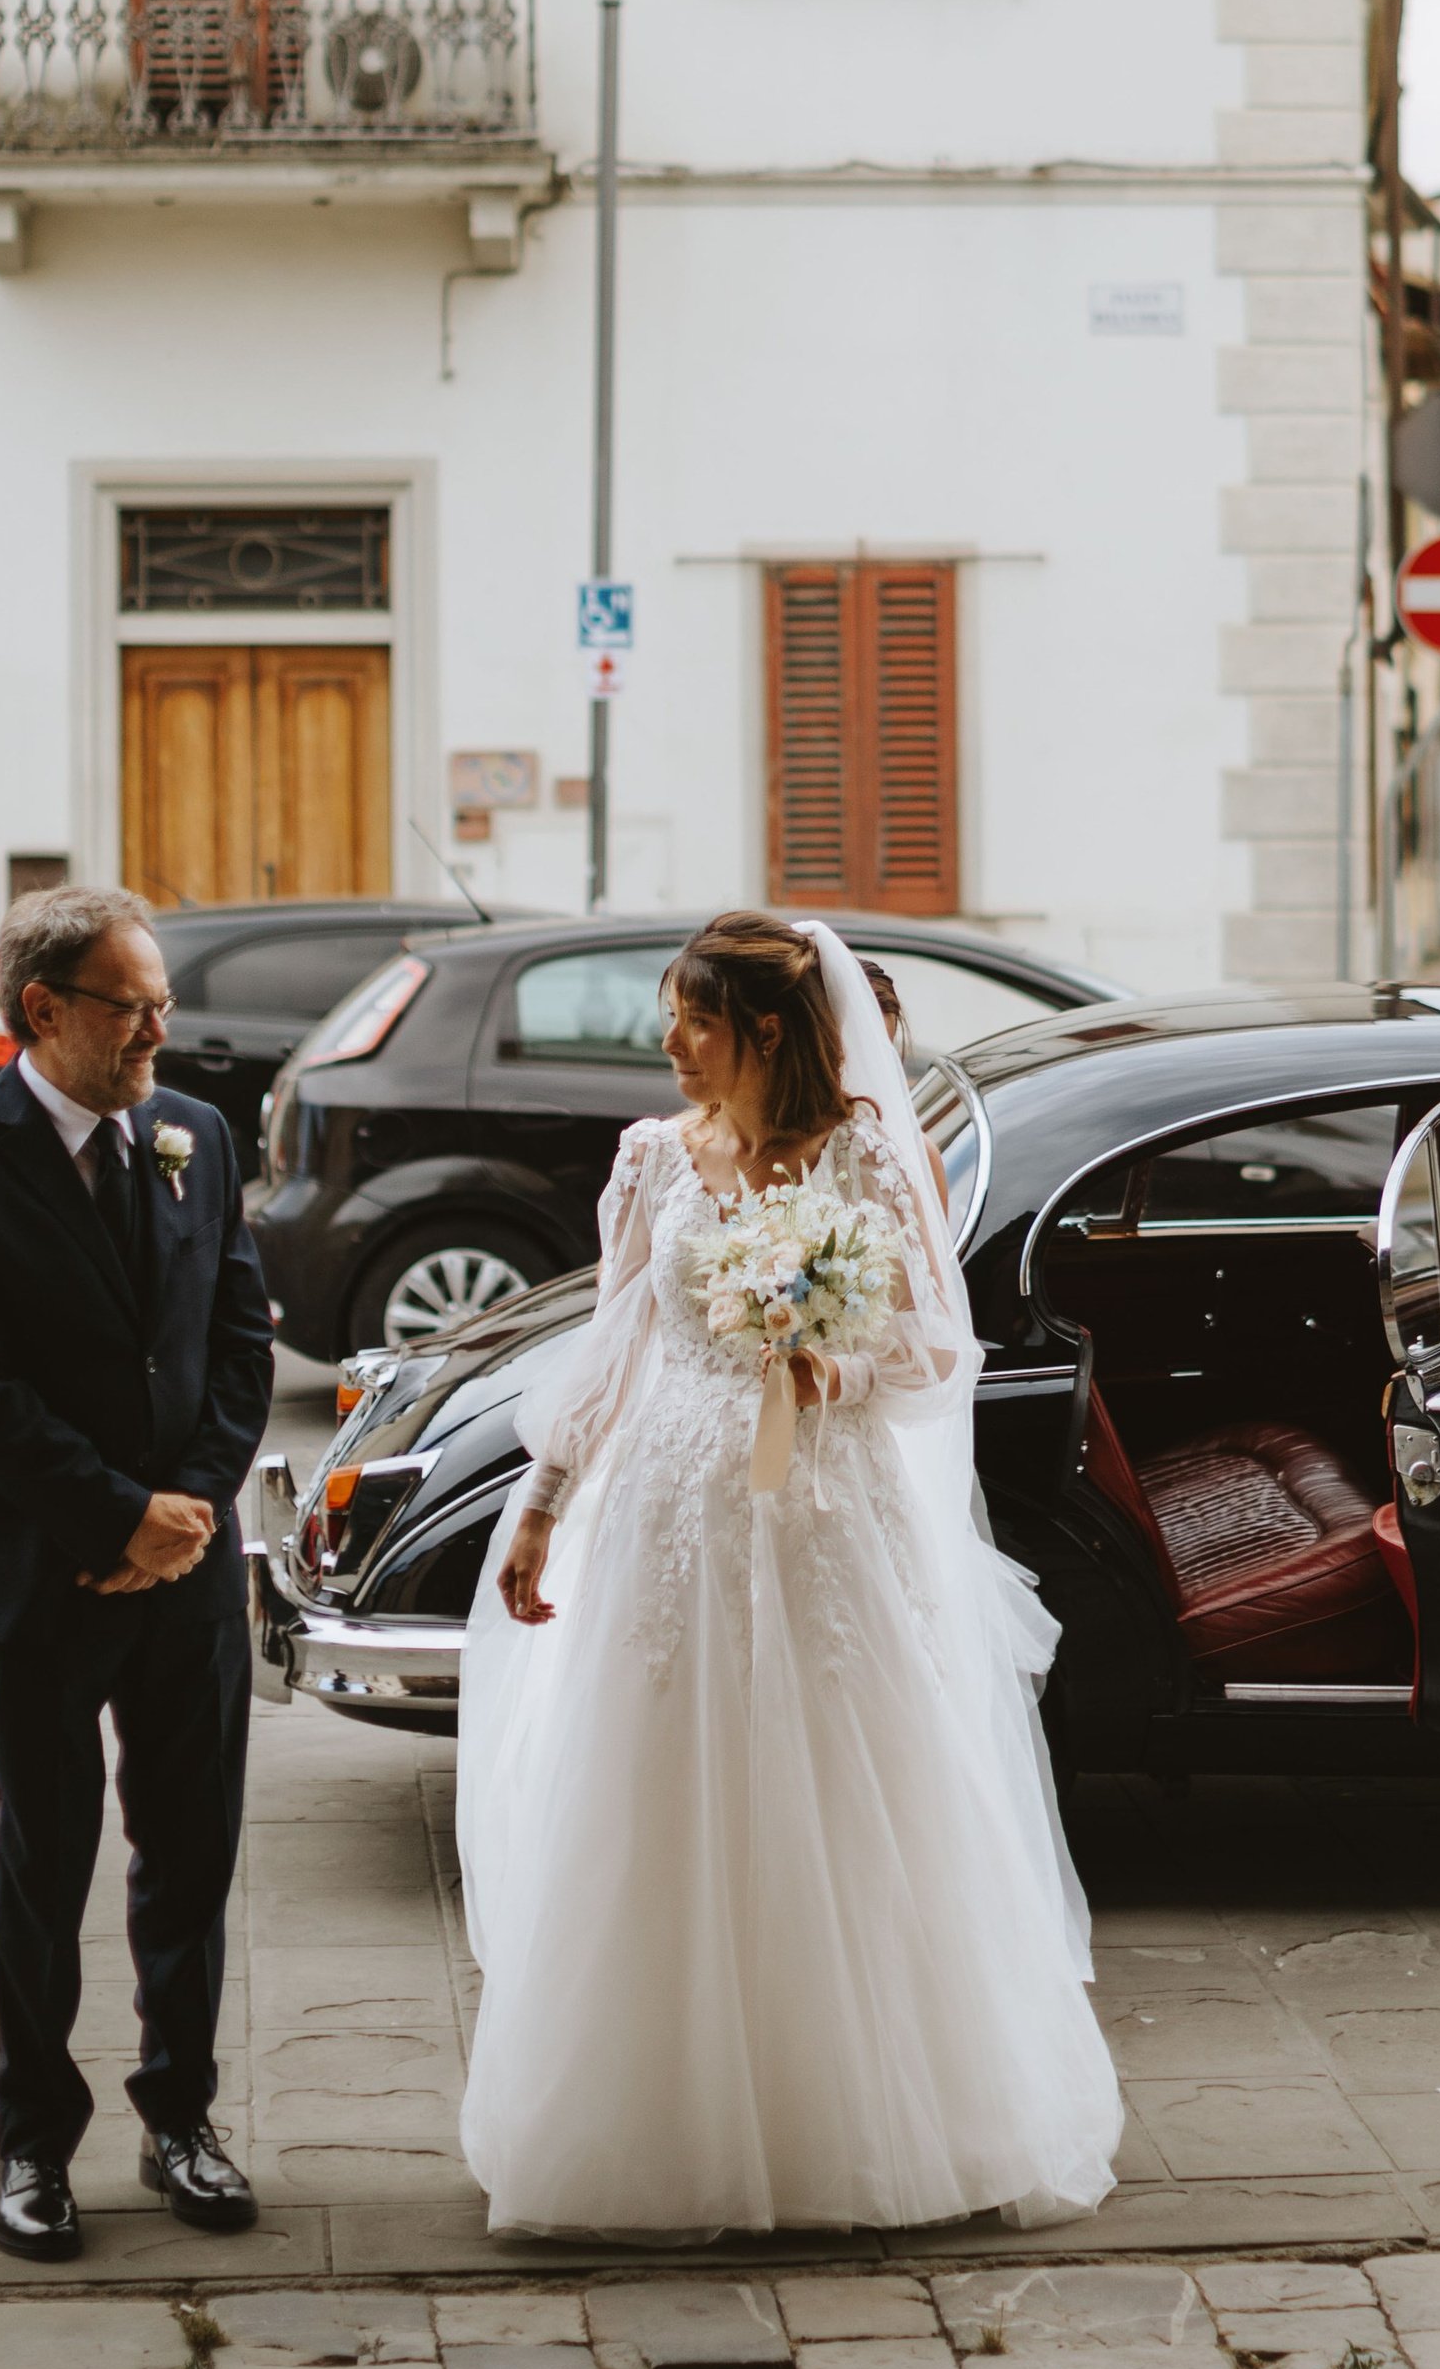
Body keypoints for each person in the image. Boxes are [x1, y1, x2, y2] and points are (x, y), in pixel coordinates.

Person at [456, 910, 1120, 2235]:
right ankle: (656, 2124)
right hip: (667, 1515)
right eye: (671, 1017)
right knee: (655, 1792)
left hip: (824, 1513)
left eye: (694, 1020)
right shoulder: (652, 1159)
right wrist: (541, 1505)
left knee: (846, 1791)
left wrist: (835, 1367)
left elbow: (935, 1349)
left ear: (763, 1032)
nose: (671, 1043)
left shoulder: (864, 1153)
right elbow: (615, 1345)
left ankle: (861, 2121)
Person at [0, 885, 274, 2263]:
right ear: (44, 1011)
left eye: (163, 1002)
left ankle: (183, 2121)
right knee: (43, 1863)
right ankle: (32, 2144)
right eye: (134, 1007)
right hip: (46, 1571)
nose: (161, 1030)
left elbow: (240, 1340)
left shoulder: (195, 1135)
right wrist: (115, 1520)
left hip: (190, 1570)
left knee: (193, 1854)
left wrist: (190, 1509)